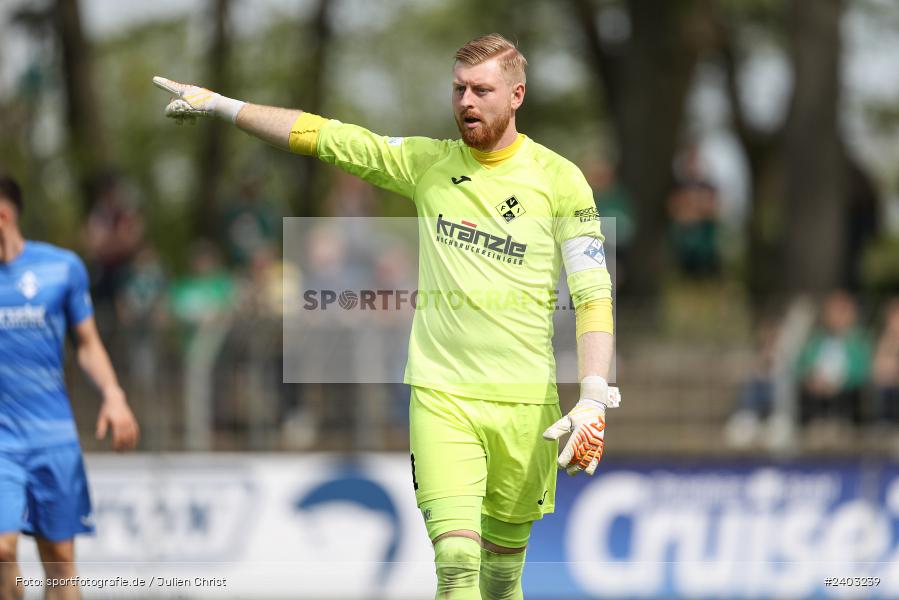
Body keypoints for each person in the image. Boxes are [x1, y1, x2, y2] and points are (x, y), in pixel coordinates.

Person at [153, 33, 618, 600]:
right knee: (456, 561)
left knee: (501, 580)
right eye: (458, 89)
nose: (466, 102)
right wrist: (223, 105)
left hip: (525, 404)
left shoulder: (561, 180)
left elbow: (593, 293)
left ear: (517, 95)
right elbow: (324, 136)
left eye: (481, 90)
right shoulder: (428, 164)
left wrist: (593, 396)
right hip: (443, 397)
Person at [0, 175, 140, 600]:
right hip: (2, 443)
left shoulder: (62, 268)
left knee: (60, 563)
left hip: (54, 438)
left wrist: (113, 395)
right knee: (2, 550)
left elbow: (88, 344)